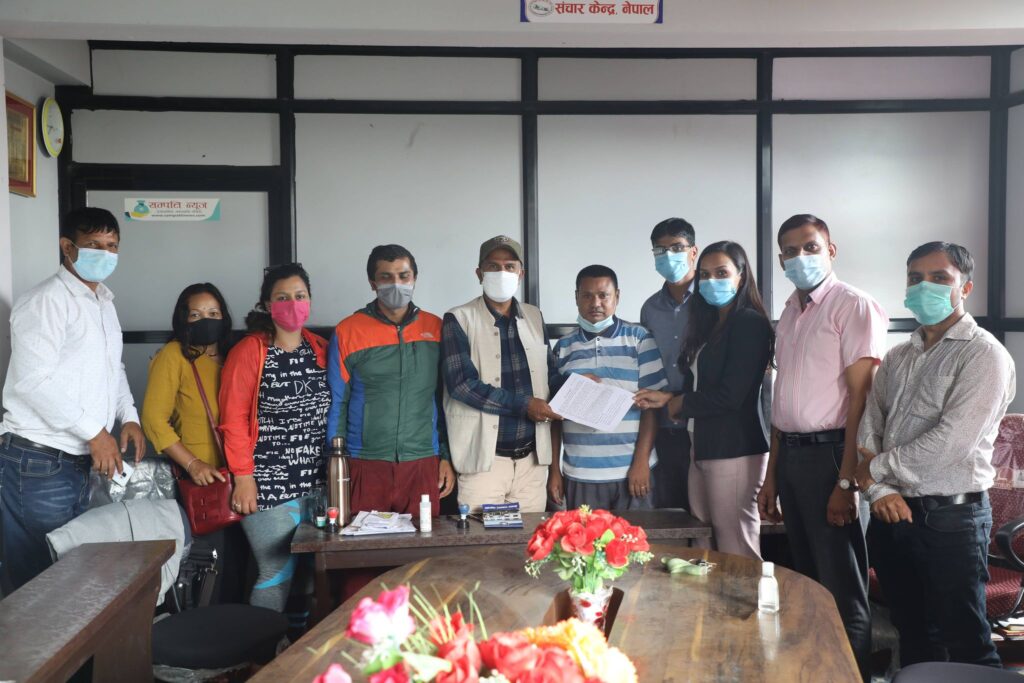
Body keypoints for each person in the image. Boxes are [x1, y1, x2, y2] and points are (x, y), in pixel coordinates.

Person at [856, 242, 1014, 668]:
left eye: (940, 278)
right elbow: (871, 425)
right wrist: (879, 491)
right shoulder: (897, 356)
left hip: (950, 520)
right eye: (915, 278)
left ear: (965, 288)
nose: (924, 286)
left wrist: (873, 471)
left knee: (965, 641)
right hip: (891, 515)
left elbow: (952, 442)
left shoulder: (984, 355)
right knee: (912, 633)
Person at [756, 214, 887, 680]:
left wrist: (847, 482)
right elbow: (783, 402)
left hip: (833, 456)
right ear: (780, 259)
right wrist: (771, 476)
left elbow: (862, 400)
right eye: (790, 251)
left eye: (810, 247)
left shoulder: (853, 305)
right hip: (791, 455)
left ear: (831, 250)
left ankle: (852, 675)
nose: (800, 257)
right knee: (810, 583)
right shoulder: (790, 311)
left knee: (841, 587)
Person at [0, 207, 145, 592]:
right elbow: (33, 382)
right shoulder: (46, 301)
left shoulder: (104, 303)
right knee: (40, 584)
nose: (105, 253)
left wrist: (128, 415)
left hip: (77, 461)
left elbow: (113, 368)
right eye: (94, 244)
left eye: (112, 246)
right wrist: (96, 433)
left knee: (70, 579)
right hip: (38, 461)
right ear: (67, 247)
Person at [636, 241, 773, 559]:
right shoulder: (711, 324)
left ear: (741, 275)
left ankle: (746, 595)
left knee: (735, 544)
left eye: (721, 273)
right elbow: (704, 385)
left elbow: (731, 395)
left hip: (734, 449)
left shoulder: (749, 322)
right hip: (701, 444)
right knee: (703, 542)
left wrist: (680, 404)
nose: (712, 281)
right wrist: (669, 397)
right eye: (705, 275)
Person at [219, 263, 329, 620]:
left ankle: (296, 644)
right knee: (276, 571)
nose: (292, 304)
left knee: (311, 570)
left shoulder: (320, 348)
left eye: (300, 296)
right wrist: (243, 477)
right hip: (267, 482)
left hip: (318, 483)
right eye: (282, 297)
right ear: (267, 304)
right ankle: (262, 650)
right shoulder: (251, 350)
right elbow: (233, 418)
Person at [327, 245, 455, 516]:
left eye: (403, 275)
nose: (396, 283)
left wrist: (445, 456)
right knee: (364, 541)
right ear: (373, 283)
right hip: (364, 462)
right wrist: (337, 462)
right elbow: (338, 402)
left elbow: (444, 400)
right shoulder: (348, 330)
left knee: (423, 541)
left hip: (422, 460)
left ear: (414, 278)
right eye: (386, 277)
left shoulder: (436, 328)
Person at [442, 235, 563, 513]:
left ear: (521, 273)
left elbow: (549, 374)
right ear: (479, 273)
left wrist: (577, 387)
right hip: (484, 464)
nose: (502, 273)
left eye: (509, 266)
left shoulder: (534, 316)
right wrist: (524, 405)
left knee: (530, 539)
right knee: (482, 539)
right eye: (493, 266)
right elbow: (462, 385)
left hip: (533, 462)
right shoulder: (458, 318)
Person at [142, 282, 247, 603]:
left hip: (242, 481)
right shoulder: (174, 356)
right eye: (196, 314)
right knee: (212, 571)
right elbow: (153, 420)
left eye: (213, 313)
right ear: (183, 320)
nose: (206, 320)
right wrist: (193, 464)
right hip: (204, 484)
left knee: (243, 569)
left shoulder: (234, 356)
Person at [551, 265, 667, 510]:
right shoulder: (563, 347)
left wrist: (641, 462)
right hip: (580, 472)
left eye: (603, 295)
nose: (596, 303)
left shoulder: (639, 339)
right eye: (587, 295)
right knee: (583, 537)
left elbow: (652, 407)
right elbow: (554, 416)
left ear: (617, 296)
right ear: (576, 297)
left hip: (632, 472)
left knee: (637, 536)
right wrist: (554, 470)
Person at [640, 218, 699, 510]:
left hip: (703, 425)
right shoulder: (650, 308)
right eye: (660, 250)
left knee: (704, 515)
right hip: (662, 426)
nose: (669, 256)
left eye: (677, 248)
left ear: (693, 252)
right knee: (667, 514)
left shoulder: (713, 300)